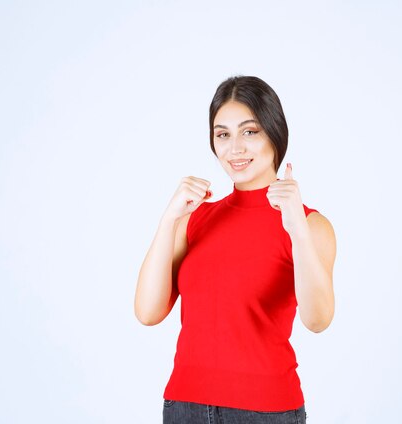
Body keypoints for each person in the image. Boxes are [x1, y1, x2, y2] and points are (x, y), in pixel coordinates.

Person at [134, 75, 336, 423]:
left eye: (250, 131)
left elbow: (317, 320)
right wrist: (168, 219)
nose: (235, 148)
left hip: (266, 412)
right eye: (223, 134)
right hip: (184, 408)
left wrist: (297, 231)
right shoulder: (196, 218)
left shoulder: (310, 225)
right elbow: (147, 312)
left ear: (274, 133)